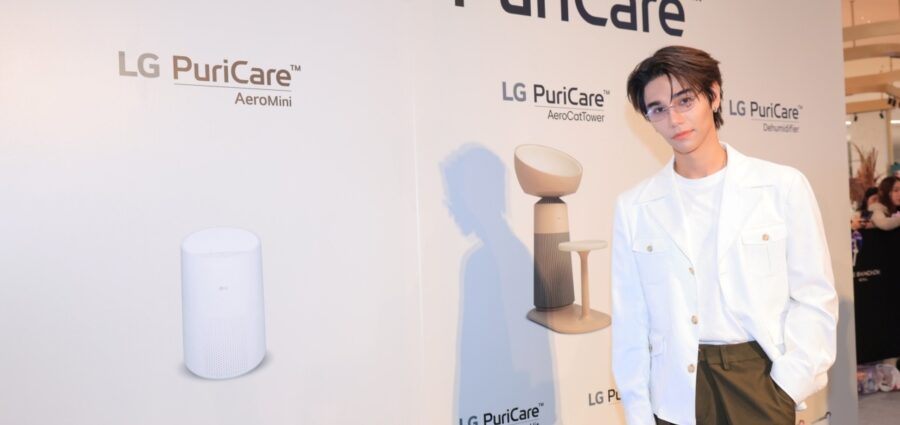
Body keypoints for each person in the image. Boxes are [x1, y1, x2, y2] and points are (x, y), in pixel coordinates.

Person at [611, 45, 838, 425]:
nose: (674, 119)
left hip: (758, 376)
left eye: (685, 100)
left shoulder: (781, 186)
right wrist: (638, 411)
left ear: (714, 95)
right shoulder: (634, 206)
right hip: (674, 389)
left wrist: (789, 384)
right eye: (658, 109)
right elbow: (630, 321)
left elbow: (814, 296)